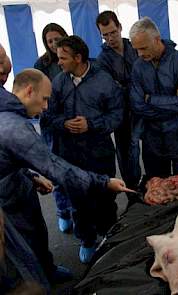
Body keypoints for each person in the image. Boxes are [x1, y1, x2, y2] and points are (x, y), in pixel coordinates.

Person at [0, 68, 131, 288]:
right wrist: (104, 182)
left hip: (18, 186)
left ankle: (48, 270)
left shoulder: (9, 114)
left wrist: (30, 175)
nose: (45, 107)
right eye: (44, 100)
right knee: (19, 258)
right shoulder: (16, 127)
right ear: (29, 91)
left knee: (37, 233)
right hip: (6, 204)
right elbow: (58, 169)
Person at [44, 35, 125, 263]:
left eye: (63, 58)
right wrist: (63, 123)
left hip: (100, 154)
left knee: (105, 199)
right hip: (70, 154)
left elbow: (117, 116)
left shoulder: (104, 81)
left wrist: (92, 124)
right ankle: (87, 240)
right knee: (78, 201)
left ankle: (109, 239)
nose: (58, 62)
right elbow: (48, 116)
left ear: (78, 58)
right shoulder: (59, 82)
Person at [129, 17, 178, 180]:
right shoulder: (138, 66)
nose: (140, 54)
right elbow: (137, 106)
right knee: (158, 189)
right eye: (136, 49)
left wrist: (150, 99)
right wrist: (173, 101)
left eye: (143, 48)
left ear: (157, 39)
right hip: (153, 139)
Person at [96, 11, 141, 201]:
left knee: (152, 150)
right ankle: (132, 195)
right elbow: (112, 90)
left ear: (120, 27)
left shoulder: (134, 46)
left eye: (113, 32)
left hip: (144, 109)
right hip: (121, 114)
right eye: (105, 35)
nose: (110, 38)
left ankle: (151, 188)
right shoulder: (102, 60)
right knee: (127, 155)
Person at [34, 23, 70, 233]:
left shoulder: (73, 58)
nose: (55, 43)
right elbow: (40, 104)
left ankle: (75, 212)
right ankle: (63, 212)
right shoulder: (41, 65)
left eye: (58, 38)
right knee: (55, 171)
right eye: (50, 41)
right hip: (51, 128)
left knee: (73, 170)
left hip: (71, 125)